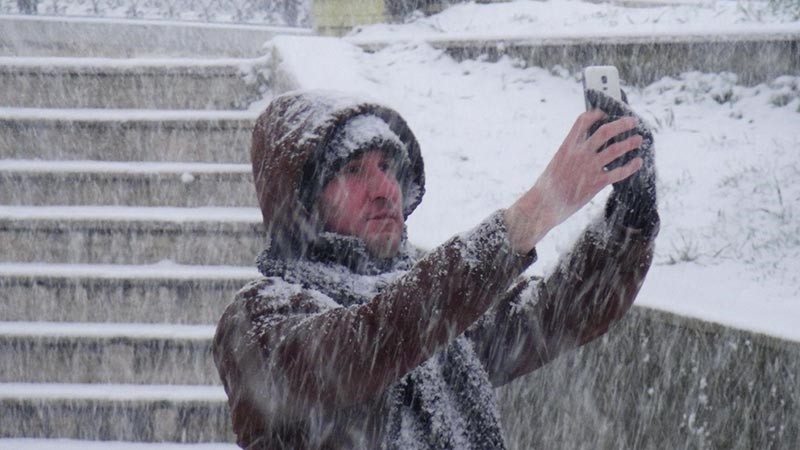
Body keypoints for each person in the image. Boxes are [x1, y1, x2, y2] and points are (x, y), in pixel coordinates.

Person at [213, 89, 659, 449]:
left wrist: (630, 217)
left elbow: (556, 315)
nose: (385, 188)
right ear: (302, 202)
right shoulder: (256, 321)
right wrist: (532, 213)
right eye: (353, 170)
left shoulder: (435, 316)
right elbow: (365, 345)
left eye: (388, 167)